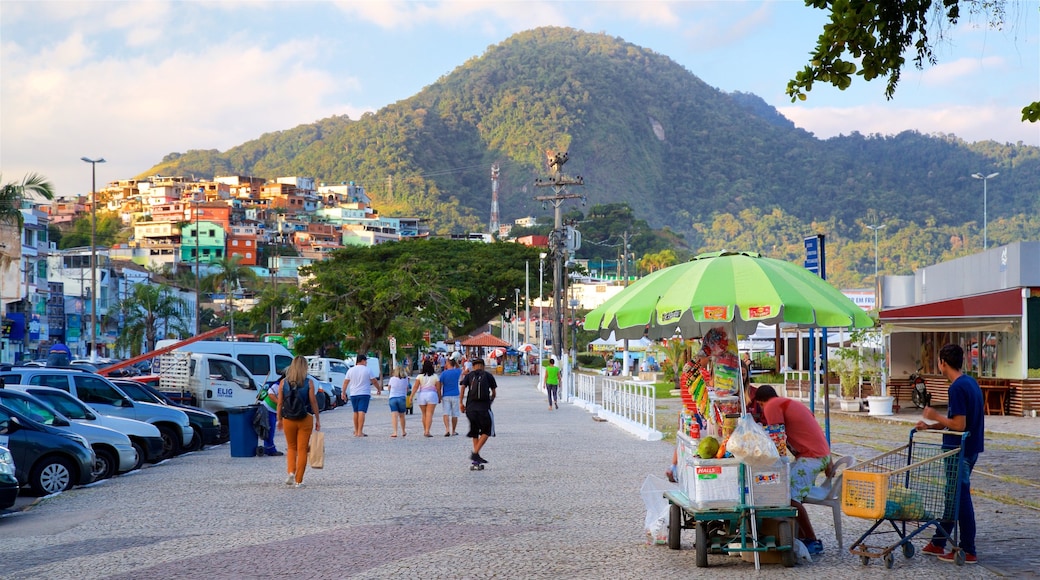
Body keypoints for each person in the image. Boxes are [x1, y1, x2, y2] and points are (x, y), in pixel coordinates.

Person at [917, 343, 984, 565]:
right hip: (970, 448)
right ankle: (939, 540)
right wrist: (931, 426)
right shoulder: (970, 383)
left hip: (959, 451)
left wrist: (934, 414)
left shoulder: (956, 388)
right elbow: (954, 421)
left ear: (942, 363)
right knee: (952, 495)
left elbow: (958, 424)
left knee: (960, 497)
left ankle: (968, 548)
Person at [754, 385, 830, 556]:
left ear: (760, 402)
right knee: (783, 488)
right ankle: (800, 535)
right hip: (818, 455)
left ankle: (812, 539)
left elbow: (777, 437)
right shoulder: (789, 402)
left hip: (811, 458)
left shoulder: (772, 406)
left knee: (785, 494)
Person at [275, 355, 320, 488]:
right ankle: (299, 481)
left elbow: (279, 403)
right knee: (302, 449)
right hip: (305, 418)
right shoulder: (309, 382)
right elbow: (313, 402)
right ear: (305, 367)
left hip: (288, 418)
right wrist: (317, 418)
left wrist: (279, 419)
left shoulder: (283, 383)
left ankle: (290, 472)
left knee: (291, 447)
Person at [459, 357, 497, 465]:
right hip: (484, 408)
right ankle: (475, 453)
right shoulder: (488, 376)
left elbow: (462, 389)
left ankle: (476, 460)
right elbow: (494, 393)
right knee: (487, 431)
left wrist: (461, 403)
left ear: (473, 366)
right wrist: (490, 402)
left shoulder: (469, 376)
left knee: (475, 432)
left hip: (470, 409)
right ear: (483, 366)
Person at [342, 354, 380, 437]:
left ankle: (356, 431)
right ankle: (360, 432)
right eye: (366, 361)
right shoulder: (368, 370)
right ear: (362, 360)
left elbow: (346, 382)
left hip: (353, 394)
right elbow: (374, 381)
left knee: (355, 412)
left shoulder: (350, 370)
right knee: (362, 412)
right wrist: (378, 389)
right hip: (364, 393)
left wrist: (343, 392)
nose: (366, 363)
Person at [413, 359, 440, 437]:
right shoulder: (435, 376)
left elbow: (415, 387)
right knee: (429, 414)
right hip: (432, 394)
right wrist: (439, 397)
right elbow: (438, 388)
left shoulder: (419, 376)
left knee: (424, 414)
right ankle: (427, 431)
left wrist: (411, 396)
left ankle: (425, 430)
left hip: (422, 395)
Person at [257, 380, 284, 456]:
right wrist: (279, 402)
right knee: (270, 428)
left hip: (273, 409)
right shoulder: (278, 385)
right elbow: (270, 394)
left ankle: (268, 448)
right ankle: (270, 449)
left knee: (270, 428)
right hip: (268, 408)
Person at [440, 358, 462, 436]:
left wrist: (439, 395)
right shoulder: (457, 371)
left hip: (446, 395)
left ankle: (447, 429)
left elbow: (440, 385)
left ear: (448, 364)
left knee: (446, 412)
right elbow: (459, 367)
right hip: (455, 394)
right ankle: (453, 430)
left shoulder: (443, 374)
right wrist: (455, 362)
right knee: (455, 413)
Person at [385, 366, 410, 437]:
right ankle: (403, 431)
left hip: (393, 398)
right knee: (402, 416)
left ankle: (395, 432)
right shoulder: (406, 379)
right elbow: (407, 388)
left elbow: (389, 388)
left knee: (394, 416)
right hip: (402, 398)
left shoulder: (392, 379)